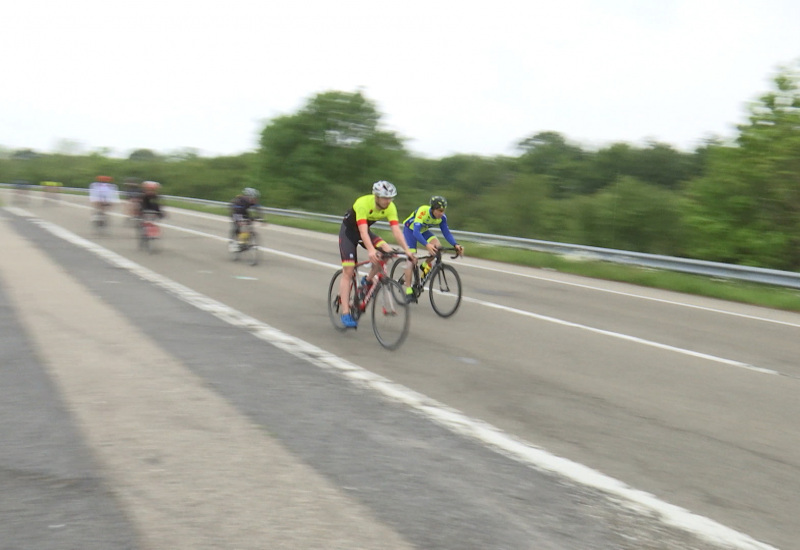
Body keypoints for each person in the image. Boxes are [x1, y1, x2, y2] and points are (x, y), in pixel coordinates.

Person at [337, 180, 417, 328]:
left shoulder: (391, 207)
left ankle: (367, 280)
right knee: (348, 271)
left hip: (365, 232)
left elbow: (396, 231)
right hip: (349, 234)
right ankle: (345, 312)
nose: (388, 201)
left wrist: (407, 250)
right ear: (376, 196)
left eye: (390, 198)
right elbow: (362, 231)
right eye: (385, 198)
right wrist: (371, 250)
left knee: (387, 251)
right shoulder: (363, 203)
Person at [401, 195, 464, 299]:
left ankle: (425, 265)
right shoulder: (423, 211)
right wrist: (427, 245)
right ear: (433, 209)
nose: (442, 213)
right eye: (440, 210)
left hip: (423, 230)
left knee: (438, 247)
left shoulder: (442, 218)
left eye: (443, 210)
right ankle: (408, 290)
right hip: (411, 230)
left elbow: (446, 233)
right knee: (411, 259)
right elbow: (416, 232)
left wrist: (455, 244)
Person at [229, 187, 263, 251]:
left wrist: (261, 218)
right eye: (253, 198)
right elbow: (236, 211)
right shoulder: (240, 200)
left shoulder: (253, 201)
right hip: (235, 211)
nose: (255, 200)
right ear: (248, 197)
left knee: (248, 223)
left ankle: (245, 240)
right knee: (238, 225)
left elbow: (258, 209)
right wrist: (239, 221)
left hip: (244, 211)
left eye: (256, 198)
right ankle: (234, 243)